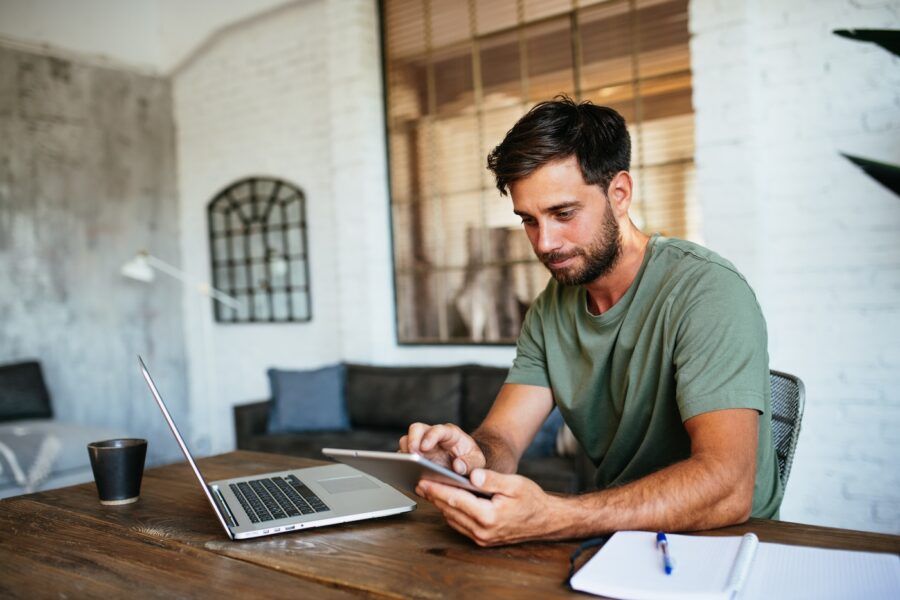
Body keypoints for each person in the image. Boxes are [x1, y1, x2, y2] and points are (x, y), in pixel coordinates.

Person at [399, 97, 783, 547]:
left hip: (729, 543)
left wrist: (556, 516)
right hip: (619, 535)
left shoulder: (707, 292)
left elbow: (728, 488)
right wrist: (466, 459)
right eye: (528, 220)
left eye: (563, 214)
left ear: (619, 193)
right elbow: (503, 437)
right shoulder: (551, 308)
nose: (545, 243)